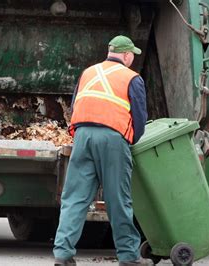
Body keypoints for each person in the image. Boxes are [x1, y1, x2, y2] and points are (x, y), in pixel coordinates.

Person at [53, 35, 151, 266]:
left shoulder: (88, 72)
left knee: (75, 198)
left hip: (83, 136)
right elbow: (139, 117)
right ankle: (128, 256)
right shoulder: (132, 78)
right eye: (132, 56)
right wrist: (131, 140)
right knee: (118, 199)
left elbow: (76, 104)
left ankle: (63, 254)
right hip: (112, 139)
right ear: (127, 55)